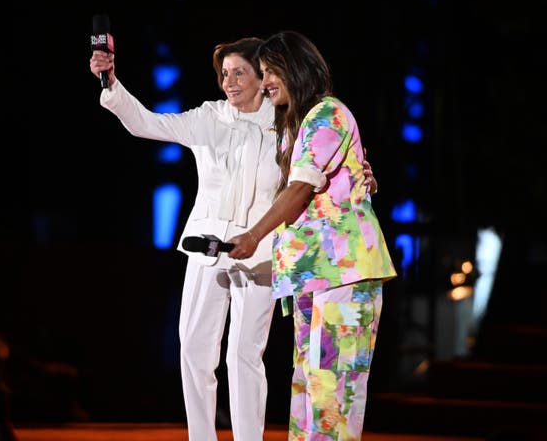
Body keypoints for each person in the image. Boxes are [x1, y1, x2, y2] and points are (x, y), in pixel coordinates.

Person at [89, 36, 377, 441]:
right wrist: (111, 85)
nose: (229, 81)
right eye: (224, 74)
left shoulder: (288, 123)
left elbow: (321, 170)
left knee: (245, 353)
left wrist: (362, 171)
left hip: (262, 251)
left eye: (239, 72)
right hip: (207, 248)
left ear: (263, 77)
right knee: (193, 348)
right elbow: (146, 122)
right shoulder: (210, 117)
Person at [227, 31, 397, 440]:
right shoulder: (295, 125)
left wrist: (252, 237)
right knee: (307, 386)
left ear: (295, 68)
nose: (266, 81)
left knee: (332, 390)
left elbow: (301, 186)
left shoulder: (328, 114)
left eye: (270, 72)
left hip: (345, 271)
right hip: (310, 273)